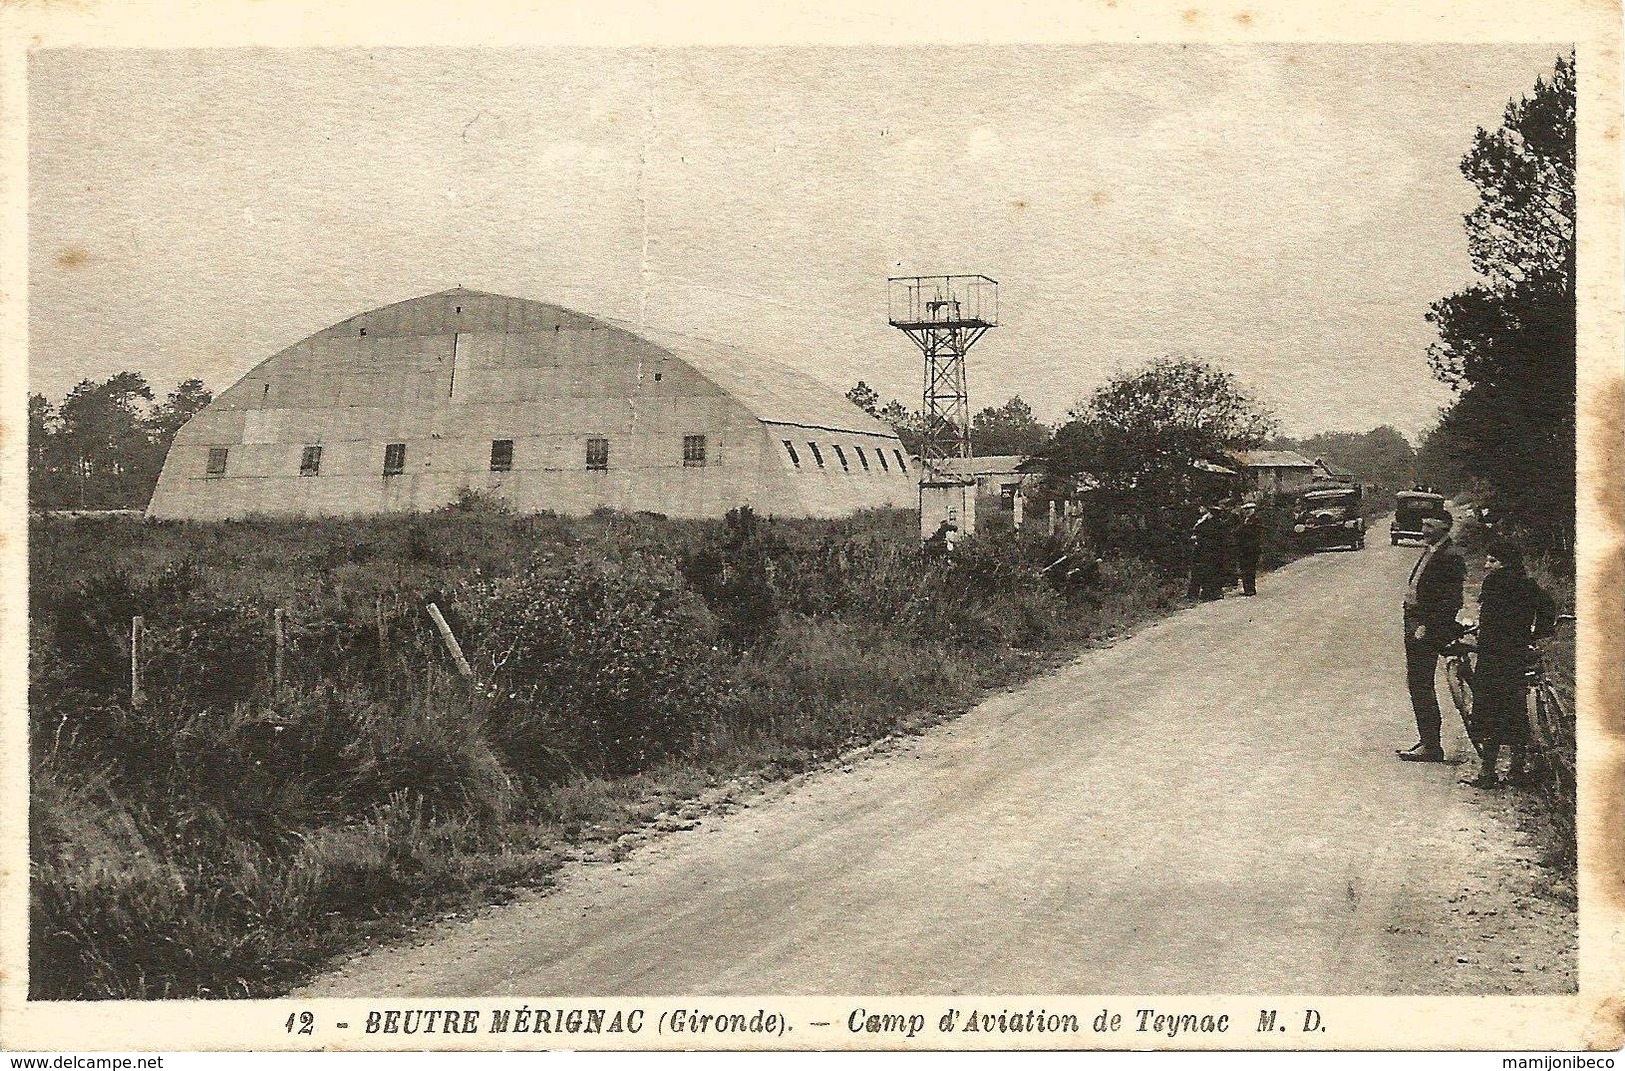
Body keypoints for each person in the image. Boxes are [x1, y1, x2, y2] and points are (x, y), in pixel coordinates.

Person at [1461, 539, 1557, 788]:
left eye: (1493, 560)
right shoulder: (1528, 585)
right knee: (1516, 713)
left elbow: (1490, 621)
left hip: (1492, 658)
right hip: (1515, 656)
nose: (1487, 565)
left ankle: (1487, 773)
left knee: (1489, 713)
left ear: (1505, 563)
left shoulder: (1494, 583)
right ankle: (1516, 770)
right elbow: (1548, 608)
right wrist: (1537, 633)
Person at [1396, 514, 1465, 763]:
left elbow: (1453, 601)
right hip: (1416, 622)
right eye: (1423, 524)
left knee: (1420, 683)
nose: (1423, 529)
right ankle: (1427, 740)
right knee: (1417, 683)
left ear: (1444, 528)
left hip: (1426, 628)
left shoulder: (1450, 556)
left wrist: (1427, 625)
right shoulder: (1432, 550)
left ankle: (1432, 745)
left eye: (1429, 526)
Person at [1188, 505, 1225, 601]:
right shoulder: (1204, 522)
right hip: (1204, 551)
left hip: (1208, 551)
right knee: (1206, 572)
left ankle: (1210, 593)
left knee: (1209, 572)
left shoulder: (1210, 523)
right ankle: (1207, 593)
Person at [1234, 501, 1263, 596]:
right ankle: (1247, 588)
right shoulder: (1244, 520)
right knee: (1245, 568)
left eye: (1248, 510)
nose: (1246, 512)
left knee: (1250, 568)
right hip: (1244, 548)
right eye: (1245, 510)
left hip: (1252, 548)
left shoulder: (1256, 520)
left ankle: (1250, 589)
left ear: (1252, 510)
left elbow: (1251, 532)